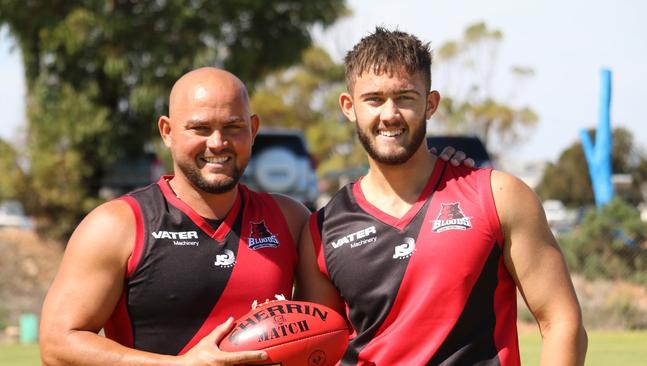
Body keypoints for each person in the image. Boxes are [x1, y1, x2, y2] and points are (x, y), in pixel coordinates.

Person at [39, 66, 472, 366]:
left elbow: (361, 293)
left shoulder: (290, 219)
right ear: (168, 132)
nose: (217, 142)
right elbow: (58, 344)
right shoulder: (118, 225)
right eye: (199, 128)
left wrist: (441, 171)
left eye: (232, 127)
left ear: (253, 129)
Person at [295, 27, 588, 365]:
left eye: (405, 97)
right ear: (349, 106)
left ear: (430, 104)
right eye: (374, 99)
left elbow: (561, 320)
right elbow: (316, 350)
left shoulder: (498, 196)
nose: (389, 114)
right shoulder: (322, 229)